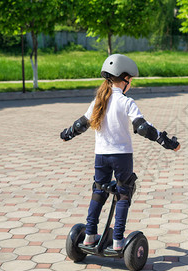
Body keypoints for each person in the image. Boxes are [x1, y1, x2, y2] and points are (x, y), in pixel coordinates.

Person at [60, 54, 180, 250]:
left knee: (98, 192)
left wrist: (67, 134)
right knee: (124, 193)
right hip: (122, 156)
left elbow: (81, 124)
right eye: (130, 80)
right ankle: (117, 240)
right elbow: (143, 128)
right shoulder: (126, 102)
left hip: (101, 155)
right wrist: (166, 142)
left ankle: (89, 235)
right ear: (124, 79)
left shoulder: (99, 101)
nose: (130, 84)